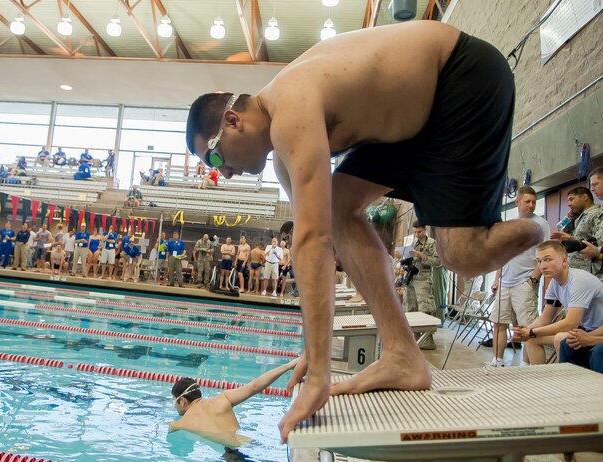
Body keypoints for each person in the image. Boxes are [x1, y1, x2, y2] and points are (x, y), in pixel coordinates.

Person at [185, 21, 546, 439]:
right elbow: (317, 232)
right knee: (339, 207)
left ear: (232, 120)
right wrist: (310, 345)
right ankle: (401, 353)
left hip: (461, 80)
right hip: (411, 123)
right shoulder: (284, 151)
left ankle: (536, 227)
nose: (223, 174)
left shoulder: (291, 109)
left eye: (213, 160)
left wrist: (319, 371)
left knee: (464, 257)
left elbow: (310, 243)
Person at [169, 358, 298, 448]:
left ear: (182, 400)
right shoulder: (223, 398)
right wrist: (288, 366)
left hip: (231, 455)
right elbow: (254, 386)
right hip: (251, 444)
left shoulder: (179, 424)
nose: (174, 406)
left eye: (174, 401)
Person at [512, 241, 603, 365]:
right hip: (586, 329)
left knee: (560, 338)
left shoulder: (579, 281)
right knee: (531, 339)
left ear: (564, 261)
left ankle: (566, 378)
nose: (543, 266)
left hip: (597, 330)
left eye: (548, 260)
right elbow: (545, 317)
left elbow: (570, 323)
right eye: (539, 261)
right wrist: (526, 331)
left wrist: (532, 332)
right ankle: (537, 378)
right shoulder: (555, 283)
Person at [488, 186, 550, 367]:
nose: (530, 205)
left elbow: (545, 253)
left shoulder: (540, 224)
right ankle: (497, 362)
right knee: (499, 323)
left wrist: (533, 279)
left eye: (533, 202)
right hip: (505, 283)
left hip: (525, 282)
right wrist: (496, 278)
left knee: (527, 328)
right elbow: (503, 255)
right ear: (517, 202)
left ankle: (526, 367)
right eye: (527, 202)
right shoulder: (509, 224)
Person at [401, 222, 441, 350]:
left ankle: (428, 340)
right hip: (411, 279)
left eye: (419, 232)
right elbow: (410, 260)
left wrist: (421, 255)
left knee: (424, 309)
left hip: (423, 280)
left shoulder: (432, 243)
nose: (417, 234)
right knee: (410, 308)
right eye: (415, 232)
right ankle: (415, 337)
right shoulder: (413, 243)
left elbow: (437, 262)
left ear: (425, 229)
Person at [550, 186, 602, 276]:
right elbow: (560, 228)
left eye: (571, 199)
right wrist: (569, 218)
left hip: (588, 269)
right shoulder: (578, 217)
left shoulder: (596, 214)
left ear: (584, 197)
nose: (569, 204)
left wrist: (572, 239)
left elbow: (598, 243)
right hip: (575, 269)